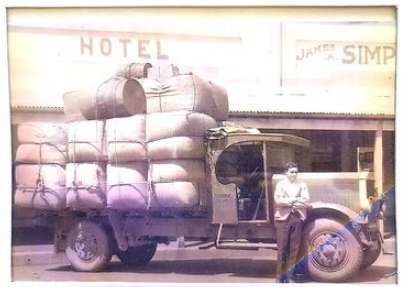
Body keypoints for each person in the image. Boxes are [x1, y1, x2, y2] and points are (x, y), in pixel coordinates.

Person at [274, 162, 310, 283]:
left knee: (294, 249)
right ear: (286, 173)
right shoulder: (281, 184)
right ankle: (280, 277)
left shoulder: (302, 185)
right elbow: (278, 201)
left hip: (297, 218)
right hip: (283, 219)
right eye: (291, 172)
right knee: (282, 249)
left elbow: (306, 201)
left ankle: (290, 276)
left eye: (296, 172)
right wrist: (294, 200)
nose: (294, 174)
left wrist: (287, 201)